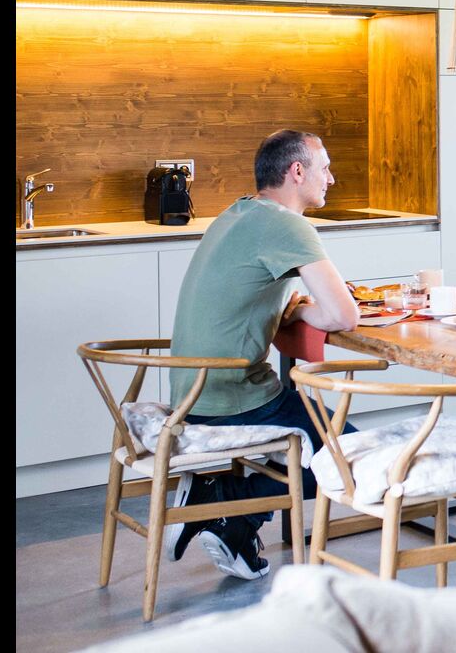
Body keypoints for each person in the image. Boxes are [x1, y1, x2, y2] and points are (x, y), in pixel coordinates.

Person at [162, 130, 360, 580]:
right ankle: (221, 497)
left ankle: (234, 525)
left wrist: (296, 308)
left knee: (311, 439)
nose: (331, 178)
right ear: (297, 172)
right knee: (347, 455)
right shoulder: (286, 225)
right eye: (325, 168)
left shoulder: (238, 213)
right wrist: (307, 310)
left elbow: (258, 297)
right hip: (231, 396)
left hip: (193, 391)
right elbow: (344, 315)